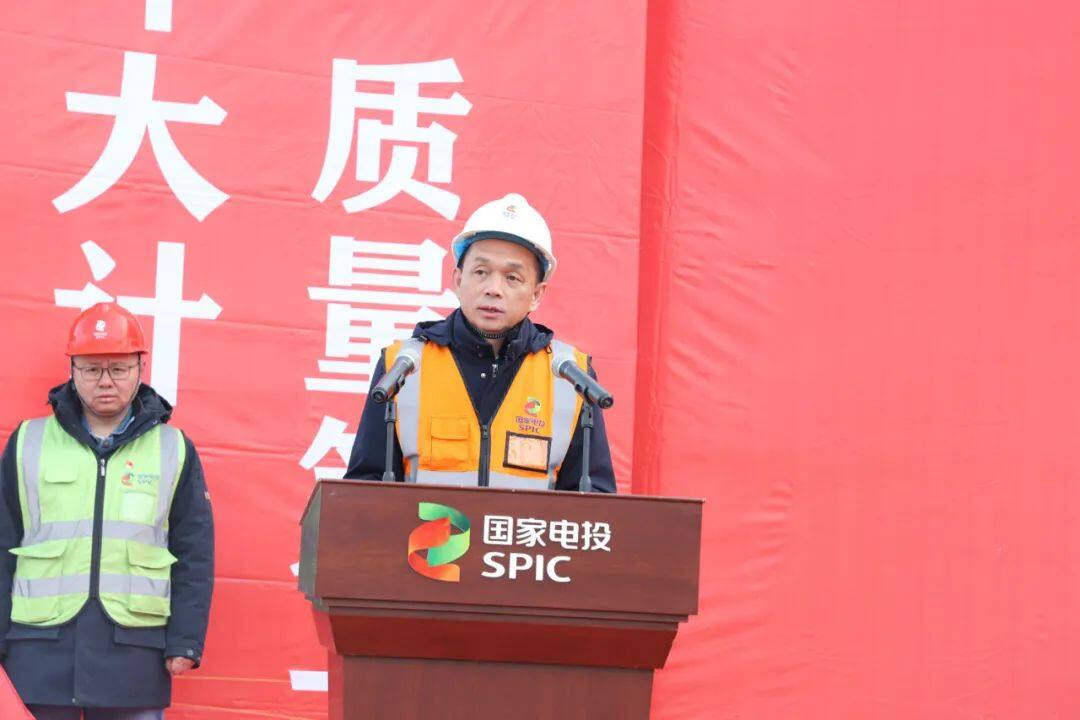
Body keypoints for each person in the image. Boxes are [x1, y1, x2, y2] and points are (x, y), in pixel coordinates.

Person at [0, 303, 214, 720]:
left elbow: (195, 553)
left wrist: (185, 640)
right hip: (39, 652)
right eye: (92, 369)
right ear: (72, 370)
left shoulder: (172, 448)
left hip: (132, 654)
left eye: (118, 369)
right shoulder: (28, 441)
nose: (105, 381)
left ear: (140, 368)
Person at [345, 193, 616, 492]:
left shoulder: (570, 376)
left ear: (536, 294)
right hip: (428, 525)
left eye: (512, 278)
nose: (493, 289)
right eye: (481, 272)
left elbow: (594, 503)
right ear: (458, 280)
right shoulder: (404, 366)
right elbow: (364, 489)